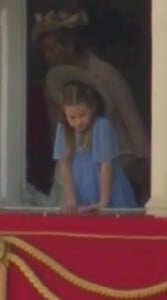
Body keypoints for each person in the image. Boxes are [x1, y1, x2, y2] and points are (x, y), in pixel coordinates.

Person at [32, 9, 150, 205]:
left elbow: (132, 121)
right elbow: (58, 129)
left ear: (69, 46)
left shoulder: (104, 73)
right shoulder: (55, 83)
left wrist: (147, 167)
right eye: (44, 51)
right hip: (75, 161)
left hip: (119, 156)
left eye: (52, 49)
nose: (47, 56)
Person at [52, 78, 137, 213]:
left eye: (83, 115)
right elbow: (64, 164)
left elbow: (105, 165)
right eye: (72, 117)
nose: (78, 122)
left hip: (104, 184)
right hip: (79, 183)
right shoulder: (64, 129)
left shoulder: (101, 125)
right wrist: (69, 196)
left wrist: (103, 201)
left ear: (92, 108)